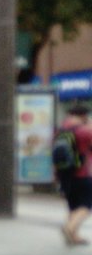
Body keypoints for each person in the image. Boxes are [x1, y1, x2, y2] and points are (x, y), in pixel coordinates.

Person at [56, 105, 92, 246]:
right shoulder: (84, 131)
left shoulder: (61, 130)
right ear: (83, 116)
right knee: (85, 206)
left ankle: (73, 236)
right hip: (82, 173)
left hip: (65, 174)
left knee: (73, 206)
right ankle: (69, 228)